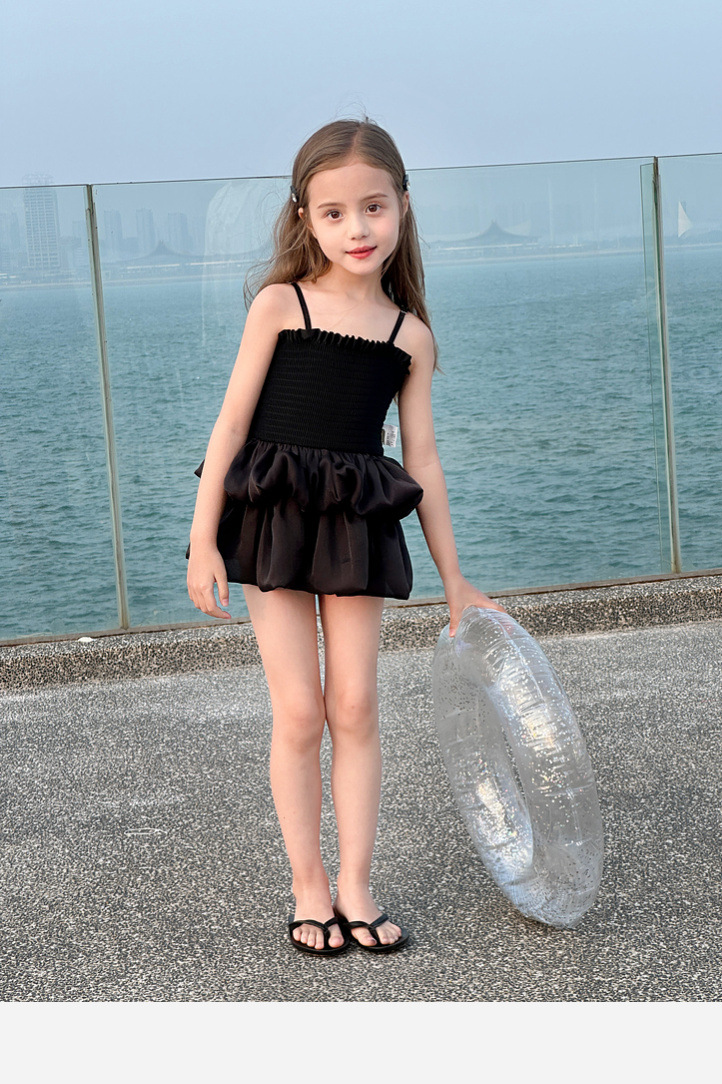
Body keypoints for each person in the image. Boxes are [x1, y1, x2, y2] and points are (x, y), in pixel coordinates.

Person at [186, 117, 504, 956]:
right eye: (333, 213)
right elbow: (230, 425)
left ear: (403, 205)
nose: (356, 228)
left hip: (357, 521)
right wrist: (203, 538)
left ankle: (356, 885)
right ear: (305, 217)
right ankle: (309, 886)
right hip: (273, 513)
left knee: (356, 705)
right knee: (299, 711)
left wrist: (456, 580)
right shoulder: (279, 305)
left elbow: (422, 460)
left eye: (373, 207)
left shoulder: (409, 337)